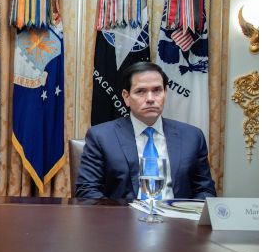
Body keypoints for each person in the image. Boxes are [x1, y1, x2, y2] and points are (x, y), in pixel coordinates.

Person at [75, 61, 216, 199]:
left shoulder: (192, 136)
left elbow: (205, 190)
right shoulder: (101, 137)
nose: (150, 99)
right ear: (126, 97)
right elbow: (87, 191)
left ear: (165, 92)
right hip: (123, 214)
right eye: (140, 91)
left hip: (176, 214)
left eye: (157, 90)